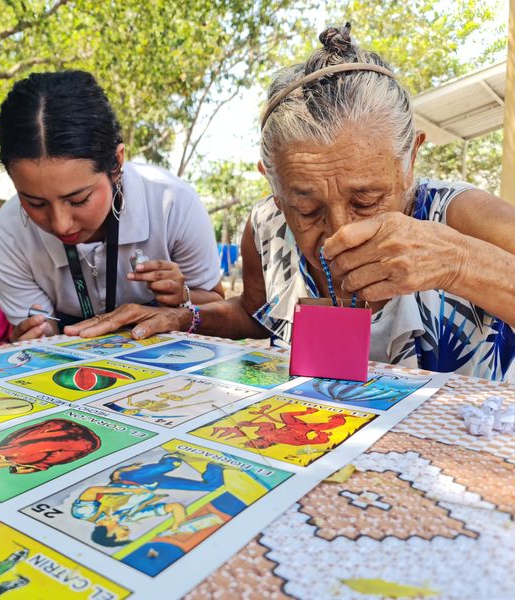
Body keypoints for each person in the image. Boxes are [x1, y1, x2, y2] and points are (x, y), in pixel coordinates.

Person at [68, 24, 515, 383]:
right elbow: (253, 314)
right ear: (274, 185)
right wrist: (186, 317)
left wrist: (458, 262)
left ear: (410, 160)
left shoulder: (462, 217)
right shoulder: (265, 225)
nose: (340, 229)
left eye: (366, 199)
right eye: (307, 208)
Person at [0, 70, 223, 342]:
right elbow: (41, 333)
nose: (60, 224)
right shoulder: (7, 234)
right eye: (34, 203)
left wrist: (184, 298)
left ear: (117, 163)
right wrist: (38, 335)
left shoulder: (172, 204)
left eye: (78, 200)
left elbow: (218, 303)